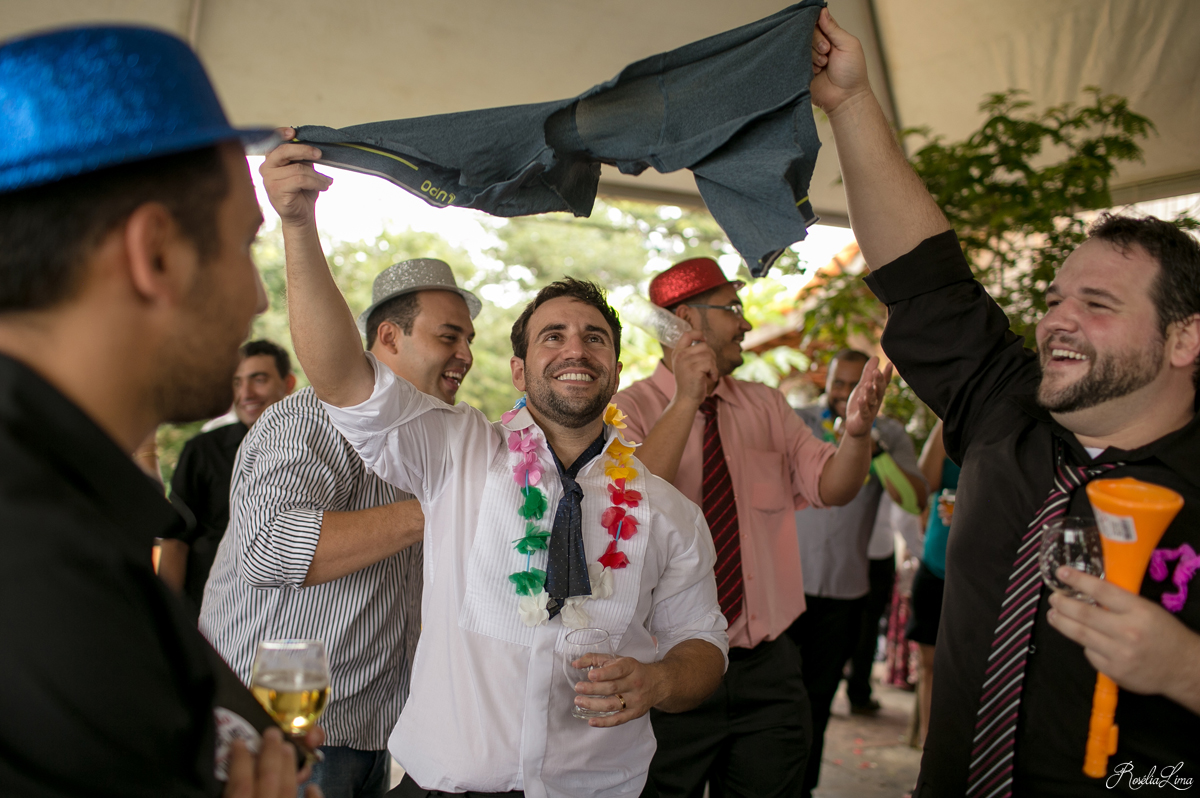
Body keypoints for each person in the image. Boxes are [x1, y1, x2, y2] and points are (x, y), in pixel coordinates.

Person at [262, 134, 730, 798]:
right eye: (552, 336)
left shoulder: (670, 513)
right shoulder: (456, 452)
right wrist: (298, 226)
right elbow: (341, 377)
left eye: (595, 338)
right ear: (518, 370)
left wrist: (659, 680)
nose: (575, 350)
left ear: (616, 368)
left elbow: (703, 645)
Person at [810, 9, 1200, 795]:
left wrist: (1188, 670)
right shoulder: (1004, 407)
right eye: (1055, 300)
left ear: (1183, 339)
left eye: (1097, 304)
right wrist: (850, 103)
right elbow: (924, 279)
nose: (1056, 320)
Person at [0, 25, 317, 797]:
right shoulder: (46, 572)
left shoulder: (65, 501)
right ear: (158, 254)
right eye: (244, 246)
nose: (258, 297)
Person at [611, 260, 893, 798]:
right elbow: (633, 504)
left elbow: (831, 486)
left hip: (768, 667)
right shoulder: (628, 409)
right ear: (686, 320)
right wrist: (687, 398)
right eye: (732, 309)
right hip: (665, 670)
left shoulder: (765, 405)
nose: (744, 323)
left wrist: (857, 435)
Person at [202, 258, 479, 798]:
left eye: (469, 339)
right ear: (389, 337)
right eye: (449, 336)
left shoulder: (435, 440)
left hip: (373, 729)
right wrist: (437, 509)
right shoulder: (305, 420)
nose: (466, 355)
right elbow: (268, 546)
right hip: (282, 734)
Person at [789, 349, 926, 796]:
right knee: (777, 698)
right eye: (840, 383)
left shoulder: (890, 435)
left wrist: (871, 444)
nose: (847, 393)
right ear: (826, 381)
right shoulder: (797, 421)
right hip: (786, 586)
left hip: (844, 591)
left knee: (819, 698)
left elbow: (914, 501)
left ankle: (803, 789)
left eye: (857, 385)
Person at [158, 339, 296, 618]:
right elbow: (175, 540)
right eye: (236, 382)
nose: (245, 393)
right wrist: (166, 618)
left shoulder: (309, 447)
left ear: (288, 383)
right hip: (211, 613)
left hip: (290, 612)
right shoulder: (202, 450)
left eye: (259, 379)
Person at [908, 418, 957, 748]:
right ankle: (928, 752)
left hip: (980, 574)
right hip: (936, 564)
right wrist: (943, 421)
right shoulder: (948, 426)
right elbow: (924, 485)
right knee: (929, 666)